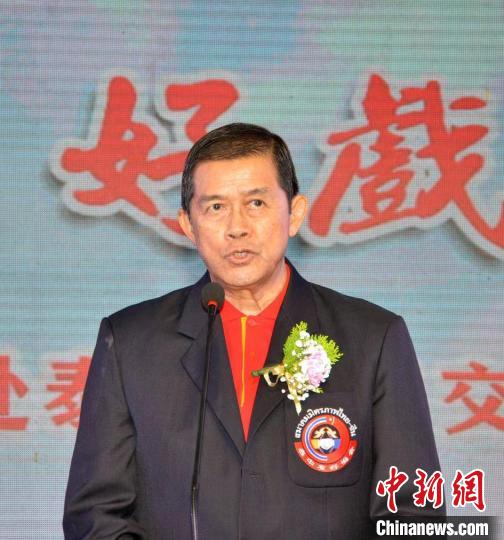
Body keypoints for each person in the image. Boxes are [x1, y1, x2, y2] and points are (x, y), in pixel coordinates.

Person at [64, 123, 444, 539]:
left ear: (294, 213)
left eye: (256, 203)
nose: (237, 227)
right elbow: (96, 516)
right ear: (188, 225)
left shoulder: (373, 339)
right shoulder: (131, 343)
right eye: (215, 207)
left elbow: (414, 514)